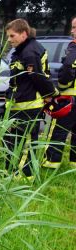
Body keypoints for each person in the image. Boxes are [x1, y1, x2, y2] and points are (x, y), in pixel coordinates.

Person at [4, 19, 59, 180]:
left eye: (12, 36)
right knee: (14, 139)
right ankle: (12, 172)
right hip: (19, 102)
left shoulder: (30, 52)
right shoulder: (23, 49)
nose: (9, 39)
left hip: (28, 104)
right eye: (8, 36)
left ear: (24, 34)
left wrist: (51, 95)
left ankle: (25, 175)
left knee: (27, 140)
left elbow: (37, 77)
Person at [42, 16, 76, 169]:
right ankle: (74, 162)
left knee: (59, 130)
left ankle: (51, 162)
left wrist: (63, 85)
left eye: (75, 27)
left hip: (70, 96)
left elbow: (68, 66)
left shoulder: (74, 46)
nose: (72, 31)